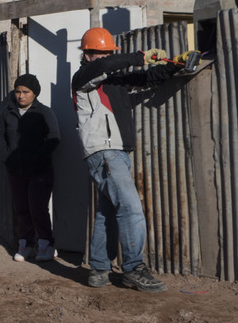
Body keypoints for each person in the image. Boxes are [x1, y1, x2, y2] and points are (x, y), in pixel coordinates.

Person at [71, 28, 179, 292]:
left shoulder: (112, 82)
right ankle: (133, 269)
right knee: (131, 209)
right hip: (105, 151)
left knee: (107, 212)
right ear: (86, 55)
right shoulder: (83, 78)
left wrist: (176, 64)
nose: (105, 57)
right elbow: (107, 65)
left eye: (109, 52)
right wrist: (141, 55)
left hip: (117, 152)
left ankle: (98, 269)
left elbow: (147, 76)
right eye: (100, 53)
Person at [0, 73, 59, 263]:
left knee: (37, 207)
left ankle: (46, 244)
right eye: (18, 91)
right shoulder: (6, 112)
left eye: (26, 92)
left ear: (35, 93)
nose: (21, 96)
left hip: (40, 170)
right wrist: (7, 159)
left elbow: (54, 138)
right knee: (21, 208)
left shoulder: (44, 112)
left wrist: (37, 159)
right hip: (16, 170)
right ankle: (26, 244)